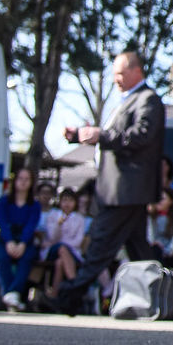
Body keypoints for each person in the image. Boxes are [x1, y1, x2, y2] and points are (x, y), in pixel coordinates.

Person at [50, 49, 165, 314]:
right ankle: (159, 297)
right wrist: (80, 135)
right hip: (122, 190)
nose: (116, 79)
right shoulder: (128, 101)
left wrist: (100, 135)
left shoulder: (147, 99)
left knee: (101, 244)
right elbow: (113, 136)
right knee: (139, 250)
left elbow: (141, 135)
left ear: (136, 71)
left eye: (120, 73)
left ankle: (69, 296)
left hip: (126, 190)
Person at [0, 166, 41, 310]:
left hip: (25, 239)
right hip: (6, 237)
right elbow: (2, 223)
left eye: (27, 179)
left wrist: (23, 243)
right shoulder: (3, 202)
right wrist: (9, 242)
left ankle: (14, 292)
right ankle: (8, 292)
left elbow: (31, 226)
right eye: (20, 178)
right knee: (2, 256)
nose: (23, 182)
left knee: (27, 257)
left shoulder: (34, 205)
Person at [39, 187, 88, 299]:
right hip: (53, 250)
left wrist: (64, 244)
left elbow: (78, 241)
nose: (67, 204)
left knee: (60, 262)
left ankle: (55, 295)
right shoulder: (53, 215)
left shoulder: (79, 219)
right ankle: (74, 283)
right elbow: (52, 238)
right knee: (61, 248)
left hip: (72, 252)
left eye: (70, 201)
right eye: (64, 200)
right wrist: (58, 225)